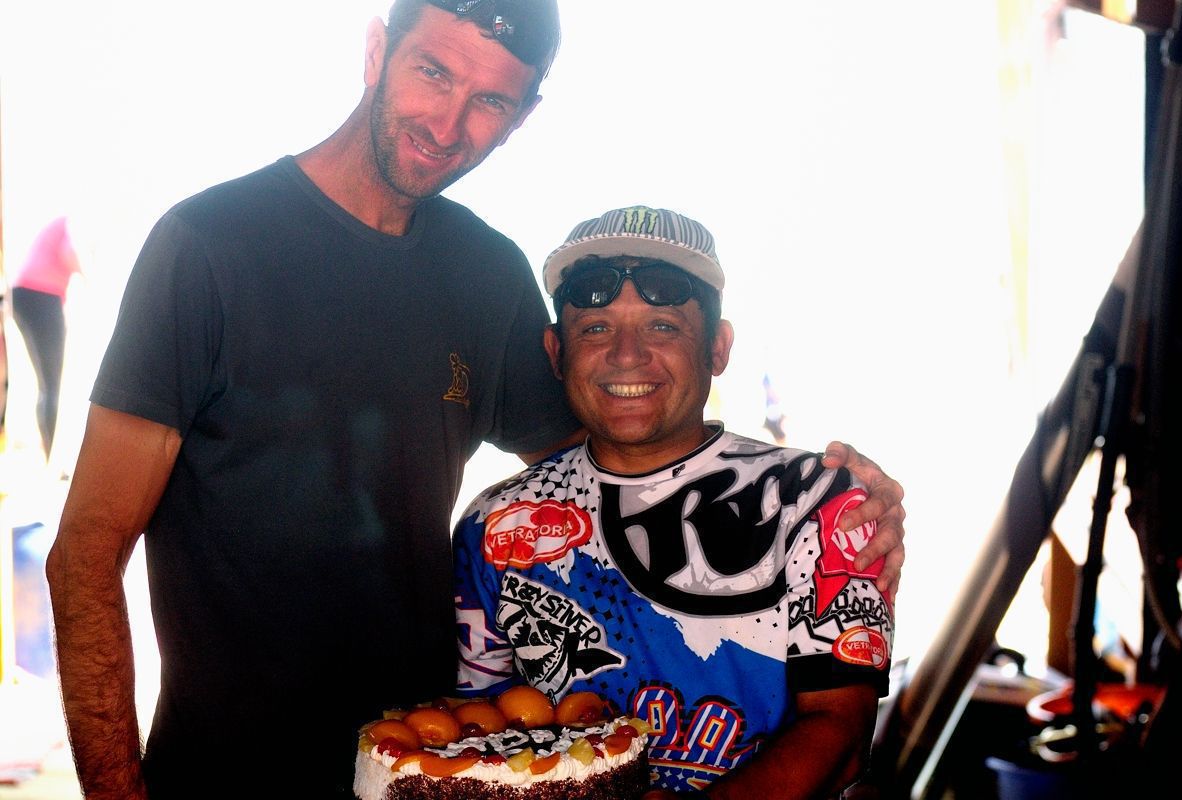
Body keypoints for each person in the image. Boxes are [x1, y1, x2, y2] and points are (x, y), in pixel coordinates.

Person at [45, 4, 904, 799]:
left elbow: (626, 458)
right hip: (225, 772)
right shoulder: (208, 247)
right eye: (433, 72)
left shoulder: (486, 274)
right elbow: (86, 551)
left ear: (524, 116)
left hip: (437, 764)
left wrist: (829, 515)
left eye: (491, 100)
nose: (448, 124)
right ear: (377, 50)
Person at [455, 205, 895, 799]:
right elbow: (478, 733)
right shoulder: (494, 525)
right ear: (555, 353)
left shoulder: (816, 499)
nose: (626, 354)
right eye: (595, 328)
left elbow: (841, 735)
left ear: (718, 347)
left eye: (662, 326)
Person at [9, 215, 81, 462]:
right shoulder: (72, 221)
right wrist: (88, 275)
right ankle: (53, 458)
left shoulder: (59, 225)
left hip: (22, 296)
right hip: (42, 295)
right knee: (51, 385)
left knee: (46, 385)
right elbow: (70, 253)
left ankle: (49, 454)